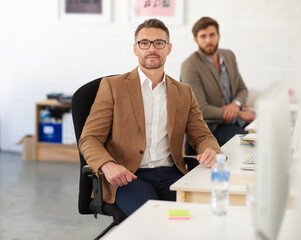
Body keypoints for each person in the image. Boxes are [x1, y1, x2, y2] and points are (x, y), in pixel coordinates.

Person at [79, 18, 222, 216]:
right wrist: (108, 165)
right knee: (155, 219)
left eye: (159, 43)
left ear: (169, 48)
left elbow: (202, 135)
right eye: (144, 43)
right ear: (135, 49)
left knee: (197, 215)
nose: (151, 49)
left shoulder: (183, 92)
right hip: (129, 177)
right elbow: (89, 138)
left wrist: (211, 150)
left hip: (172, 175)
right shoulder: (113, 87)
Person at [181, 17, 254, 147]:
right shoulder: (190, 65)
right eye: (203, 36)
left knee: (268, 132)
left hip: (236, 122)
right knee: (250, 144)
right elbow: (200, 108)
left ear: (219, 36)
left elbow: (242, 89)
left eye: (212, 35)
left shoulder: (229, 56)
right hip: (211, 129)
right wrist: (239, 113)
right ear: (195, 40)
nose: (208, 40)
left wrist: (235, 104)